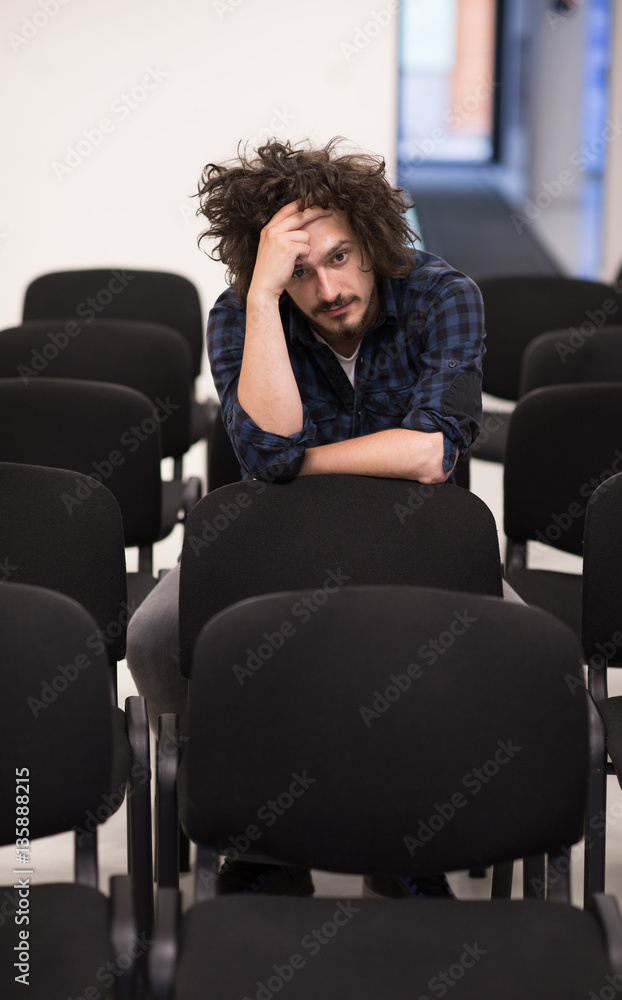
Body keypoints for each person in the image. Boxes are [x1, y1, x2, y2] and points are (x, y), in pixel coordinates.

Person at [126, 136, 485, 901]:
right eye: (297, 271)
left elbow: (429, 455)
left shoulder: (442, 295)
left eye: (340, 257)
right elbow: (265, 445)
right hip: (278, 544)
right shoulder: (241, 313)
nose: (327, 288)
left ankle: (408, 835)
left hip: (414, 545)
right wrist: (262, 300)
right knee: (155, 638)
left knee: (513, 642)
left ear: (373, 240)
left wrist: (295, 463)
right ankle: (255, 830)